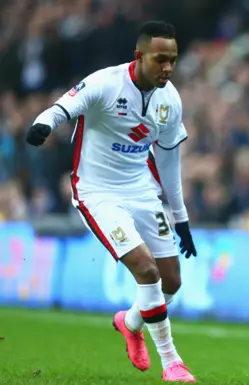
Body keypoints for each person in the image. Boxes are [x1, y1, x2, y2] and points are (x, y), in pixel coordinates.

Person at [26, 21, 197, 383]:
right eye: (160, 60)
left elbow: (168, 162)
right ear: (140, 56)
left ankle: (129, 322)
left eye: (173, 61)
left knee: (171, 281)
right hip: (97, 192)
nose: (168, 68)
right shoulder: (106, 82)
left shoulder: (170, 100)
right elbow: (63, 106)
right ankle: (173, 363)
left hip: (142, 190)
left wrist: (180, 218)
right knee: (146, 271)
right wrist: (43, 124)